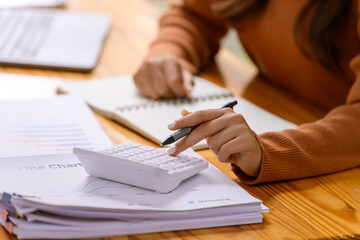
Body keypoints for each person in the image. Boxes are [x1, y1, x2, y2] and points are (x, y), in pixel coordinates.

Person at [133, 0, 360, 184]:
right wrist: (169, 52)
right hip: (280, 107)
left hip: (340, 164)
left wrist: (269, 151)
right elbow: (196, 16)